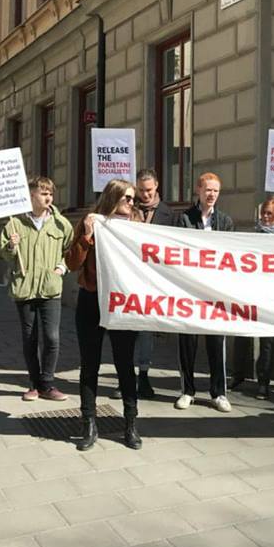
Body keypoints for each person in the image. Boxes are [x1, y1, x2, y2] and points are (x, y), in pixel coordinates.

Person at [65, 179, 142, 451]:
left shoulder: (138, 226)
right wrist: (86, 236)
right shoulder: (92, 223)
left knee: (125, 365)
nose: (133, 203)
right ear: (113, 198)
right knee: (90, 365)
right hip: (91, 301)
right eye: (128, 198)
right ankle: (88, 423)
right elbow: (72, 262)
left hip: (122, 303)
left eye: (133, 199)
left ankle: (130, 424)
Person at [0, 176, 73, 402]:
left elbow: (71, 251)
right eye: (43, 193)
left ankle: (47, 383)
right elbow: (4, 253)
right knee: (30, 337)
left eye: (50, 193)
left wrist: (61, 268)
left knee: (52, 338)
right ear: (31, 196)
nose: (48, 197)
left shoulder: (61, 223)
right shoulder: (15, 223)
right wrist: (11, 245)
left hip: (50, 288)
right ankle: (34, 384)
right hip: (25, 288)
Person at [111, 168, 175, 401]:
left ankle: (144, 376)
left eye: (149, 190)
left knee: (146, 331)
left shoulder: (169, 214)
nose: (145, 195)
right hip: (127, 279)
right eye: (141, 190)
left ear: (157, 186)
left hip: (152, 281)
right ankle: (123, 378)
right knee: (125, 328)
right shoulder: (128, 211)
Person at [175, 172, 233, 412]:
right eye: (208, 190)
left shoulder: (225, 221)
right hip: (189, 290)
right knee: (187, 341)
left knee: (216, 343)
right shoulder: (184, 219)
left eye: (216, 191)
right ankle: (187, 391)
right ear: (198, 190)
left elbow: (230, 254)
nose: (212, 195)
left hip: (215, 292)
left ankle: (218, 393)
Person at [231, 198, 274, 400]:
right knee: (242, 335)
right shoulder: (254, 236)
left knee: (267, 341)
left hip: (271, 296)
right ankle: (238, 375)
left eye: (269, 214)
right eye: (263, 213)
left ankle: (263, 382)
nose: (265, 217)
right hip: (250, 293)